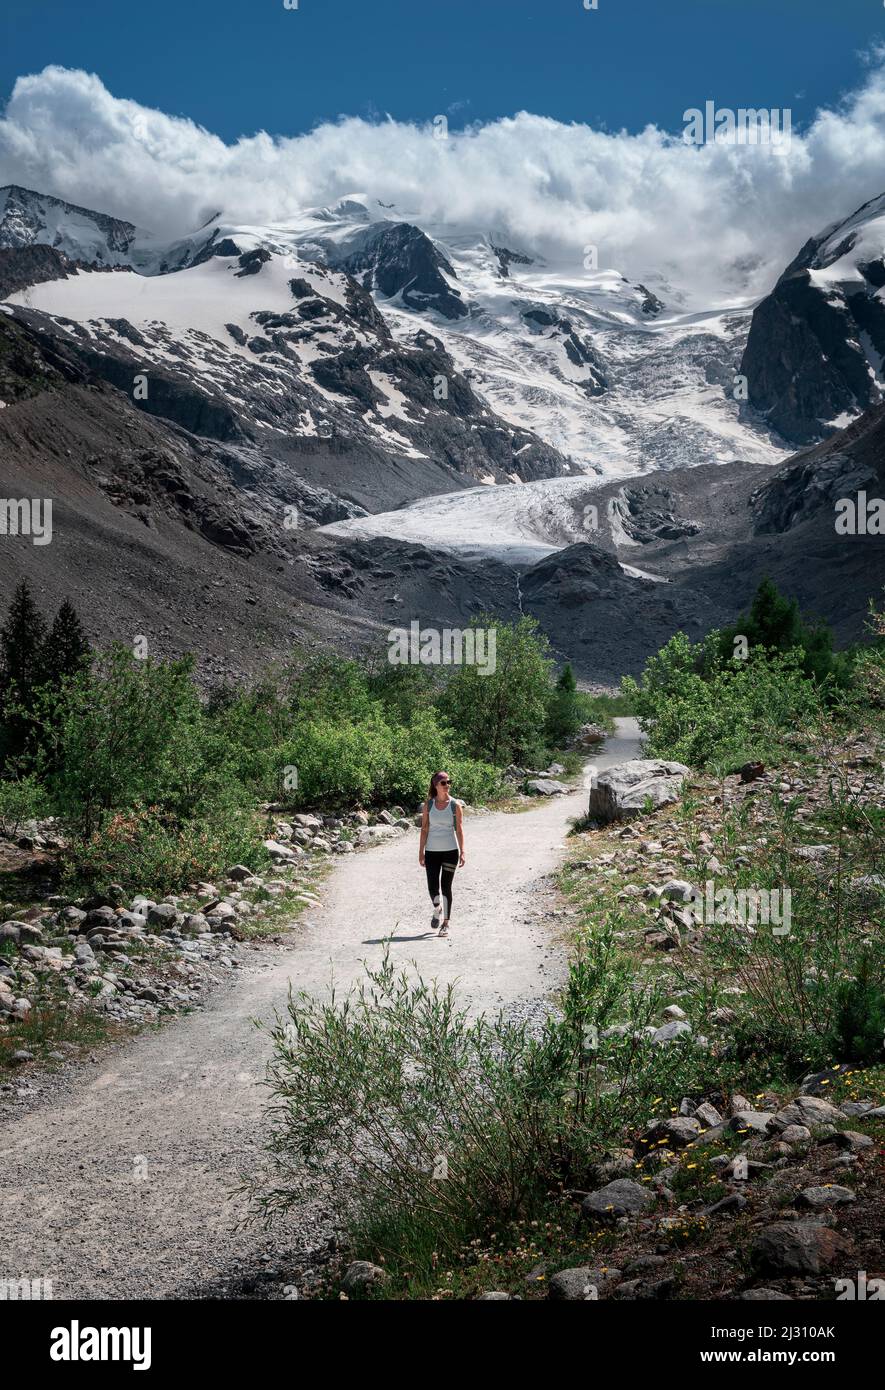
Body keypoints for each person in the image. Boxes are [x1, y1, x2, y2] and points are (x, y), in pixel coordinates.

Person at [418, 770, 465, 938]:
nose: (447, 785)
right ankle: (437, 908)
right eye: (443, 783)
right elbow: (424, 829)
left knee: (446, 887)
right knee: (432, 888)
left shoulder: (455, 805)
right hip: (431, 852)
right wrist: (421, 852)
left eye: (449, 782)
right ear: (435, 785)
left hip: (450, 851)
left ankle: (445, 924)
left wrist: (463, 851)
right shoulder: (428, 805)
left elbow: (459, 829)